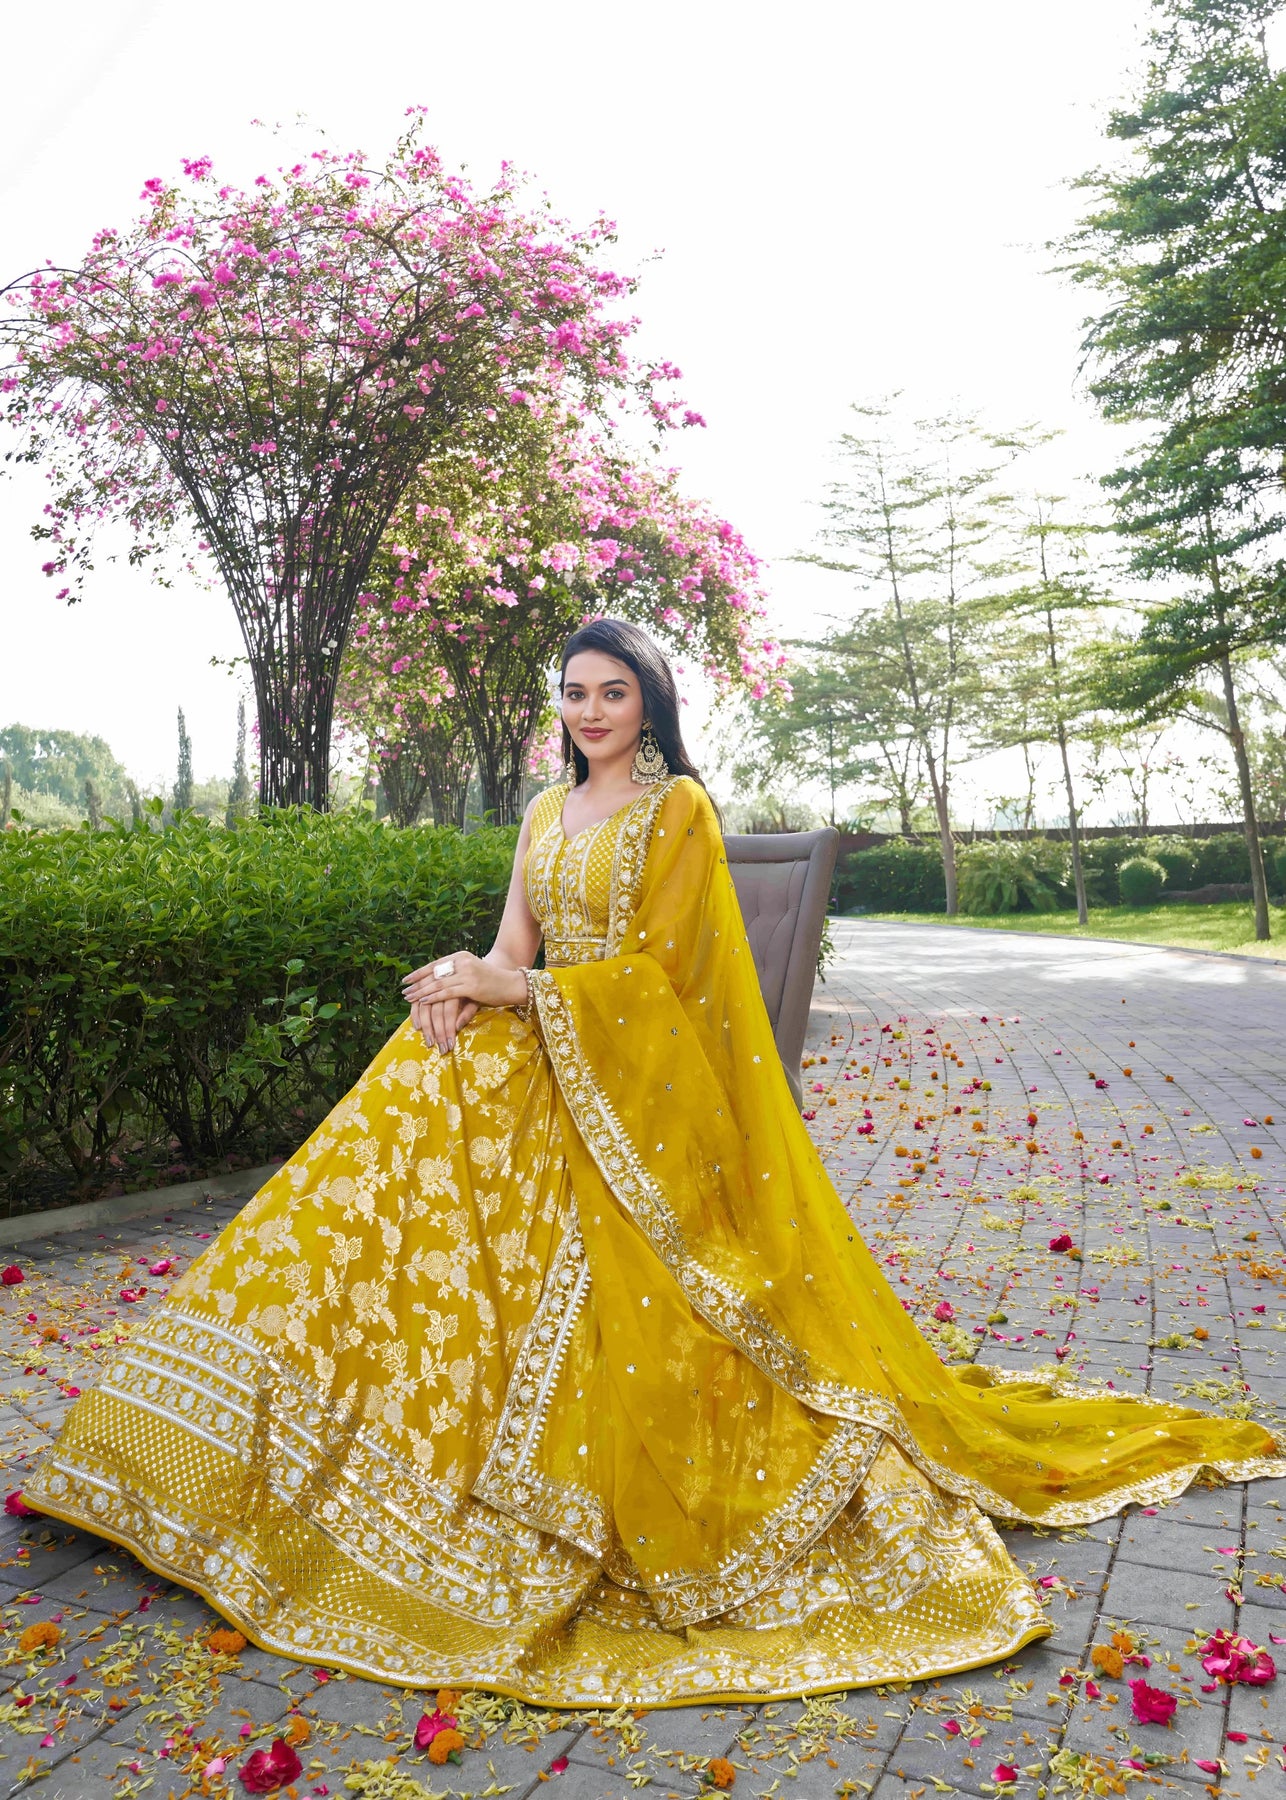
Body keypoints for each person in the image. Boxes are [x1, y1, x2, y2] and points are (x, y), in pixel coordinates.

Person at [24, 619, 1282, 1708]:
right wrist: (463, 984)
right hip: (548, 1047)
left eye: (611, 694)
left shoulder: (674, 810)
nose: (589, 714)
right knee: (409, 1093)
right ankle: (240, 1422)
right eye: (574, 695)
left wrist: (519, 992)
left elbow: (667, 984)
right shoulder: (542, 811)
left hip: (635, 1088)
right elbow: (512, 945)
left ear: (649, 705)